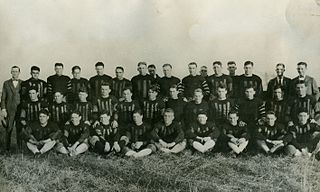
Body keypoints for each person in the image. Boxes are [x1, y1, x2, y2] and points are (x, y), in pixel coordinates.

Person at [1, 66, 22, 150]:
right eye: (13, 71)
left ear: (19, 72)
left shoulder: (23, 83)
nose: (14, 73)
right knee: (8, 128)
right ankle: (7, 148)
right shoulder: (6, 83)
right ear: (11, 72)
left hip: (20, 110)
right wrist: (3, 109)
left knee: (19, 129)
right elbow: (3, 98)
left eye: (16, 71)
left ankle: (19, 148)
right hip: (9, 110)